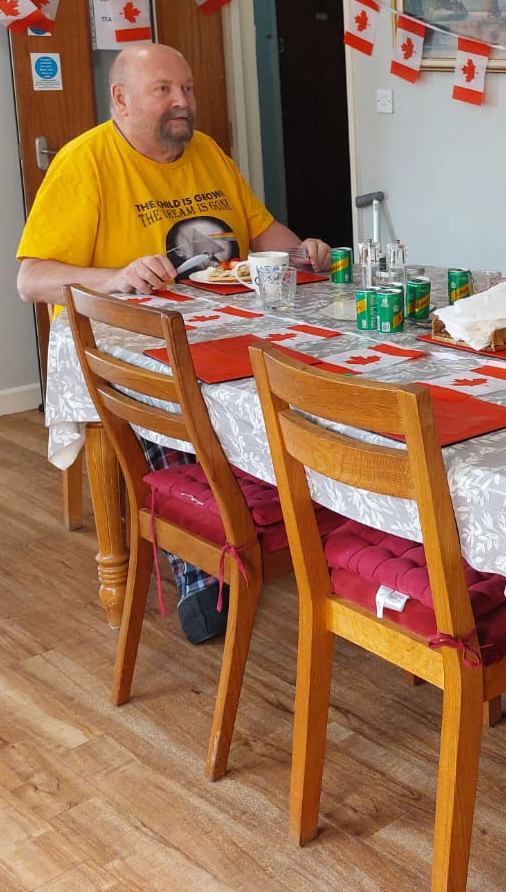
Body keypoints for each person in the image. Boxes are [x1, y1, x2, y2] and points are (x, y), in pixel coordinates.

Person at [17, 42, 332, 643]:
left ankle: (303, 529)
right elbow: (30, 278)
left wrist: (302, 249)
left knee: (313, 386)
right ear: (121, 98)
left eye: (185, 88)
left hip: (235, 329)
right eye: (163, 89)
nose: (182, 102)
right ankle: (201, 572)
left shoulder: (207, 150)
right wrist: (109, 278)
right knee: (182, 407)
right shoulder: (85, 163)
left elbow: (261, 231)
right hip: (133, 345)